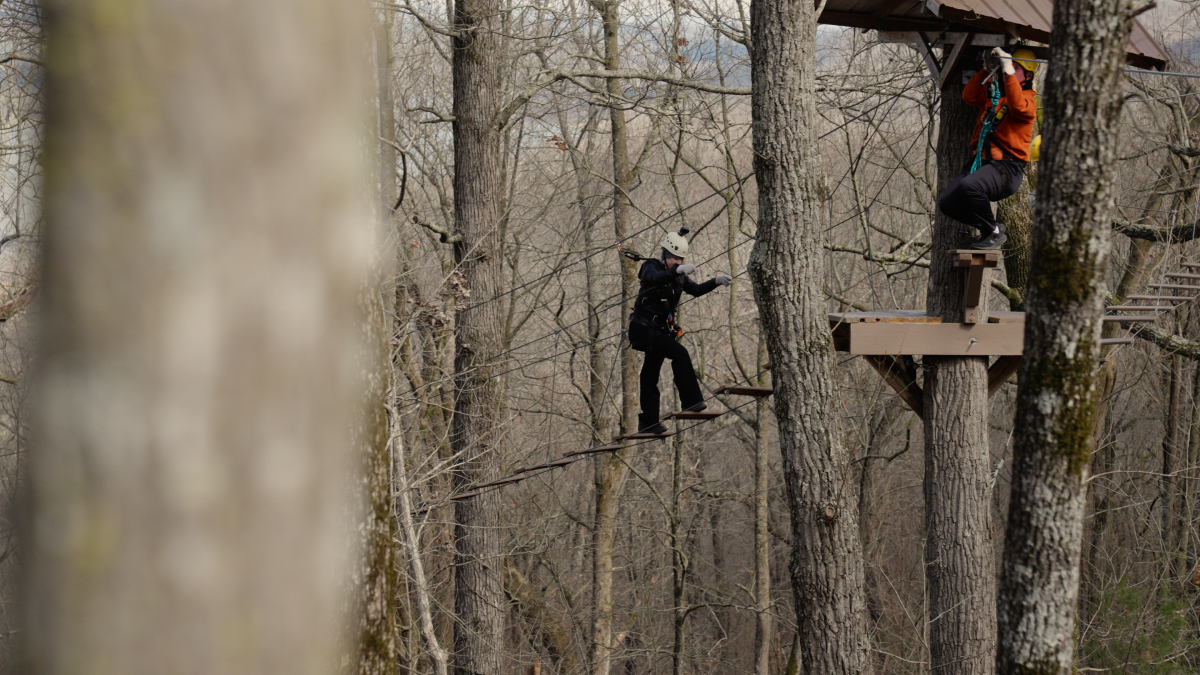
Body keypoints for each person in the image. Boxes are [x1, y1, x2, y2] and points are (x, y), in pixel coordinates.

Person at [628, 228, 732, 434]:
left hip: (658, 330)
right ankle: (691, 401)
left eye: (680, 259)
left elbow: (696, 290)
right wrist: (677, 271)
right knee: (680, 353)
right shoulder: (650, 267)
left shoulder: (679, 276)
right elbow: (656, 278)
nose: (677, 262)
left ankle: (648, 421)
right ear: (665, 255)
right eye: (674, 258)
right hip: (642, 328)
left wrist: (716, 281)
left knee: (649, 374)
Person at [938, 47, 1039, 250]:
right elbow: (969, 95)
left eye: (1016, 68)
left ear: (1027, 76)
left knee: (969, 186)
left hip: (1007, 169)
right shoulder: (996, 95)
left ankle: (992, 232)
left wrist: (1008, 66)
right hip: (983, 163)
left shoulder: (1028, 102)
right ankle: (991, 229)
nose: (1007, 70)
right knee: (948, 203)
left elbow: (1017, 105)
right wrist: (986, 69)